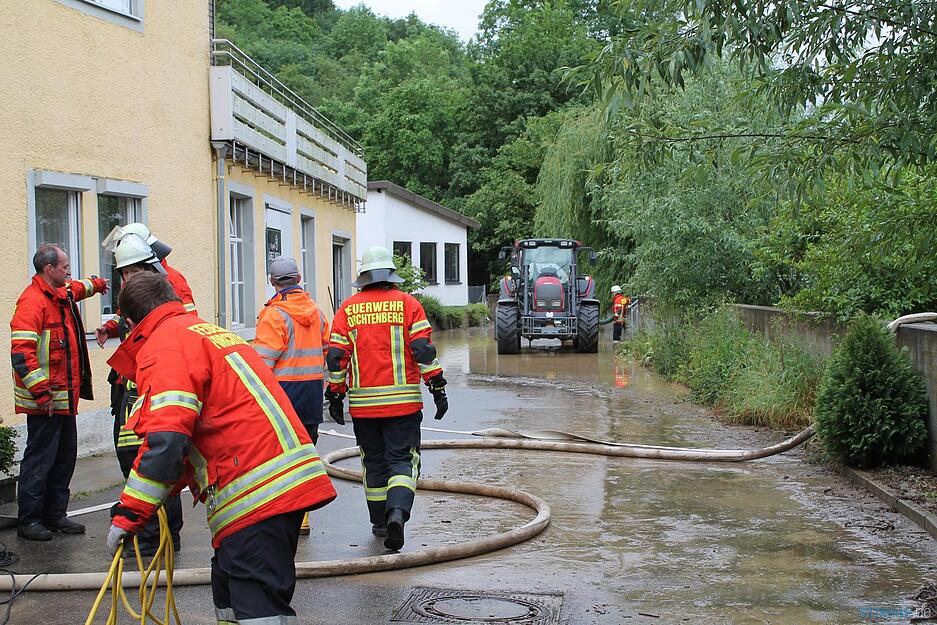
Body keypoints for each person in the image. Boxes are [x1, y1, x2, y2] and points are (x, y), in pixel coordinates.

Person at [106, 272, 336, 625]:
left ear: (131, 323)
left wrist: (131, 514)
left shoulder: (165, 346)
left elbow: (167, 440)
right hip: (270, 485)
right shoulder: (204, 332)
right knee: (228, 597)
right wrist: (157, 495)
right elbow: (189, 439)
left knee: (259, 609)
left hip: (256, 492)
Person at [325, 246, 448, 551]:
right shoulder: (409, 305)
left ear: (364, 277)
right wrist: (437, 387)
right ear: (390, 275)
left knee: (374, 463)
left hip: (364, 408)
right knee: (402, 460)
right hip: (403, 405)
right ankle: (397, 513)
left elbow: (337, 357)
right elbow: (423, 351)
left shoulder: (348, 309)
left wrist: (336, 395)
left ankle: (380, 522)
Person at [10, 245, 107, 540]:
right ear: (48, 269)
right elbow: (21, 354)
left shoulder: (60, 293)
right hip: (45, 402)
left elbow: (78, 288)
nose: (69, 271)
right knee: (40, 461)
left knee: (64, 458)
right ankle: (30, 520)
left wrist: (98, 284)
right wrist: (42, 394)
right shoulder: (32, 302)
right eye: (64, 266)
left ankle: (55, 515)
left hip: (63, 398)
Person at [102, 235, 187, 555]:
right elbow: (130, 327)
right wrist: (112, 328)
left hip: (145, 391)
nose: (126, 279)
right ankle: (161, 533)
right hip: (132, 388)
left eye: (129, 272)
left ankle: (153, 537)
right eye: (123, 274)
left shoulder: (164, 291)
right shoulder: (145, 292)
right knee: (147, 459)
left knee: (147, 460)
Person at [254, 256, 330, 536]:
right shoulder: (317, 312)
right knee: (306, 455)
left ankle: (282, 516)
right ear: (298, 279)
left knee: (280, 458)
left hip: (282, 395)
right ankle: (303, 518)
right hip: (312, 395)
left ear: (272, 281)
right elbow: (327, 350)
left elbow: (262, 365)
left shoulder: (273, 315)